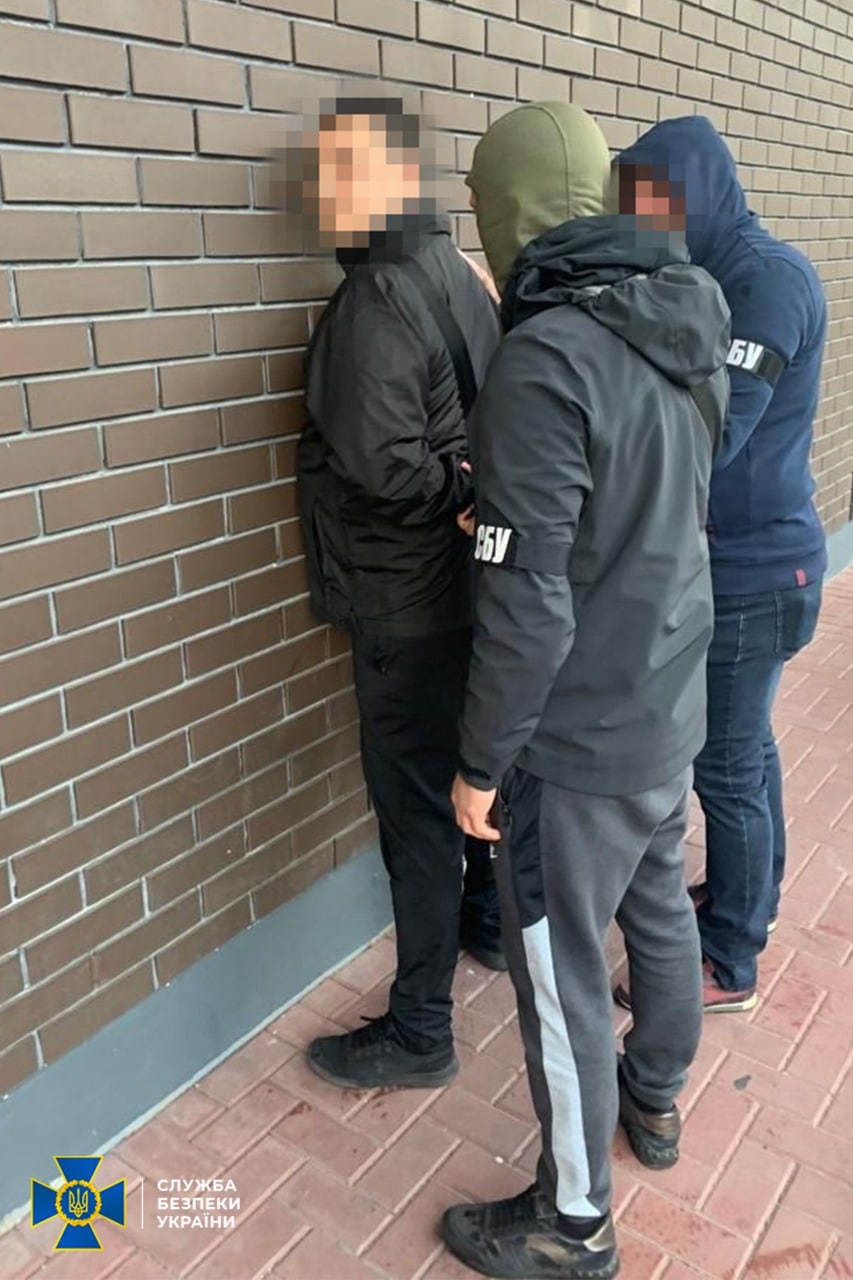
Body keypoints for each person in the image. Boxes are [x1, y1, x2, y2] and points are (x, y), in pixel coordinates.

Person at [439, 101, 730, 1279]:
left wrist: (478, 762)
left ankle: (573, 1222)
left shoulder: (545, 353)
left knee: (558, 979)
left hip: (575, 738)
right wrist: (512, 513)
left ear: (506, 213)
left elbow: (531, 605)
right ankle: (654, 1096)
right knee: (658, 907)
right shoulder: (685, 308)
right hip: (667, 693)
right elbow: (650, 501)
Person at [296, 97, 504, 1092]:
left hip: (402, 600)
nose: (320, 195)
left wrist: (451, 490)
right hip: (463, 589)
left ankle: (420, 1027)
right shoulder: (453, 270)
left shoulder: (374, 297)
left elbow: (382, 464)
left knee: (415, 814)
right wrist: (468, 490)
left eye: (336, 174)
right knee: (463, 772)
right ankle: (488, 924)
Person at [613, 118, 827, 1014]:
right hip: (747, 566)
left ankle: (730, 959)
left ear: (694, 192)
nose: (640, 225)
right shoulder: (709, 275)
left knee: (726, 766)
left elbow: (716, 430)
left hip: (755, 574)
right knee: (748, 750)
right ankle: (748, 897)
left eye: (651, 204)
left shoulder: (765, 283)